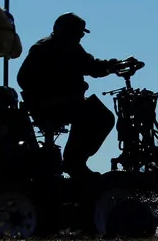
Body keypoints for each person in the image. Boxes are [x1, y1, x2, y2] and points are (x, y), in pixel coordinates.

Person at [17, 12, 122, 179]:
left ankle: (75, 161)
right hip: (52, 105)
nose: (80, 37)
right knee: (95, 116)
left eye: (81, 34)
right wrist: (52, 96)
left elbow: (91, 66)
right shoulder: (44, 48)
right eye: (77, 33)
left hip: (69, 102)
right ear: (65, 31)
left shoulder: (70, 47)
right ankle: (74, 163)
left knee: (102, 116)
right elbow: (23, 78)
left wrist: (113, 66)